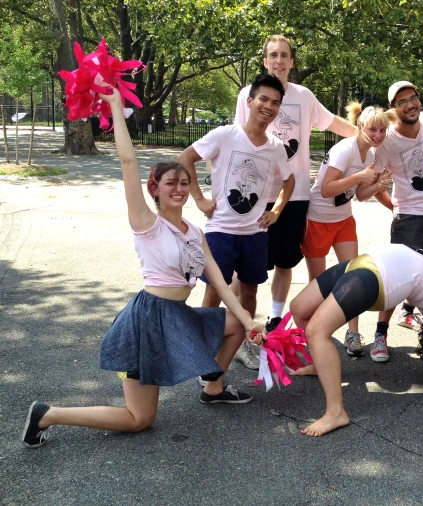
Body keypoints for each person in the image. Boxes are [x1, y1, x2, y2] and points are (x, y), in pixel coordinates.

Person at [22, 86, 265, 448]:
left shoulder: (195, 231)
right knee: (140, 419)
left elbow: (215, 276)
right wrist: (117, 108)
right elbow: (128, 162)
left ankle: (213, 387)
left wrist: (248, 321)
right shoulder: (147, 224)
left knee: (234, 323)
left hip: (178, 315)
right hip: (148, 320)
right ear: (156, 189)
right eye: (172, 183)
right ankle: (49, 414)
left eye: (185, 182)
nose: (180, 188)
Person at [290, 244, 423, 437]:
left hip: (376, 278)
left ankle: (336, 412)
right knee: (299, 308)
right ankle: (321, 364)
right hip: (367, 263)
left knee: (316, 331)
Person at [233, 35, 357, 357]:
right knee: (248, 266)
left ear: (291, 62)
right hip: (256, 194)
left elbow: (333, 123)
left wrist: (367, 133)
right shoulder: (248, 95)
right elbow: (237, 139)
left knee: (286, 261)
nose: (278, 60)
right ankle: (244, 327)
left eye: (284, 55)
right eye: (272, 55)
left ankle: (276, 317)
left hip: (295, 193)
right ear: (264, 61)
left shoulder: (304, 97)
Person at [176, 73, 294, 368]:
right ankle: (204, 348)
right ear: (250, 101)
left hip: (255, 234)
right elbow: (184, 158)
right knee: (215, 289)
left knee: (250, 290)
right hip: (221, 231)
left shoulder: (276, 147)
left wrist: (276, 211)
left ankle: (243, 344)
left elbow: (289, 182)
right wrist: (200, 199)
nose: (268, 106)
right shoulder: (225, 135)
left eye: (275, 103)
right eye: (263, 99)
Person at [302, 103, 392, 357]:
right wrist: (358, 178)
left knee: (354, 277)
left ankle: (352, 333)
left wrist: (377, 186)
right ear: (360, 127)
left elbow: (360, 195)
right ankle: (316, 335)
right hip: (318, 219)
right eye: (372, 129)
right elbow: (326, 189)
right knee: (317, 285)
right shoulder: (345, 149)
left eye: (382, 130)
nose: (377, 135)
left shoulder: (372, 156)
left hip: (343, 220)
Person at [370, 81, 423, 363]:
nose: (410, 104)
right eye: (402, 102)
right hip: (407, 218)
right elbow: (374, 181)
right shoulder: (387, 141)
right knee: (396, 278)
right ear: (393, 109)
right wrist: (395, 207)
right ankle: (380, 334)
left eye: (413, 98)